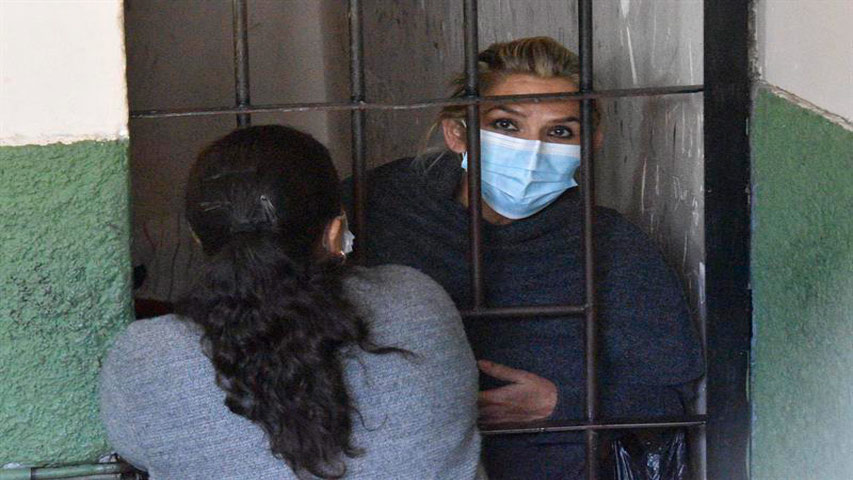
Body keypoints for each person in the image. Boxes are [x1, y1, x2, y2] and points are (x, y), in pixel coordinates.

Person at [345, 37, 704, 479]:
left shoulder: (611, 247)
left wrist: (565, 402)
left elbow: (670, 398)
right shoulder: (382, 206)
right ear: (457, 133)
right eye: (507, 125)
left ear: (589, 142)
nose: (532, 152)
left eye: (559, 132)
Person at [99, 125, 484, 480]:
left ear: (197, 239)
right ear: (334, 233)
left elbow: (136, 450)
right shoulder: (419, 299)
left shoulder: (146, 356)